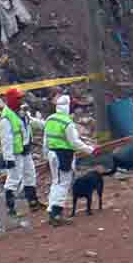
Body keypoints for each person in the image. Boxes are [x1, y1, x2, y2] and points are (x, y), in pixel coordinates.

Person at [43, 94, 94, 226]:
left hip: (52, 154)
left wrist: (46, 155)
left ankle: (52, 211)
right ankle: (57, 213)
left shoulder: (50, 119)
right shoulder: (67, 123)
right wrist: (90, 150)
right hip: (63, 156)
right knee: (63, 184)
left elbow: (45, 139)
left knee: (56, 182)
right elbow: (75, 142)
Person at [0, 87, 43, 216]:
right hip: (16, 153)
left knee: (30, 175)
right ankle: (10, 209)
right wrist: (9, 159)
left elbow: (32, 122)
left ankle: (33, 203)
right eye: (18, 98)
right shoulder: (6, 118)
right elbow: (6, 140)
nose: (21, 100)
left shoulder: (21, 111)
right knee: (13, 179)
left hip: (26, 150)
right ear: (11, 99)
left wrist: (47, 125)